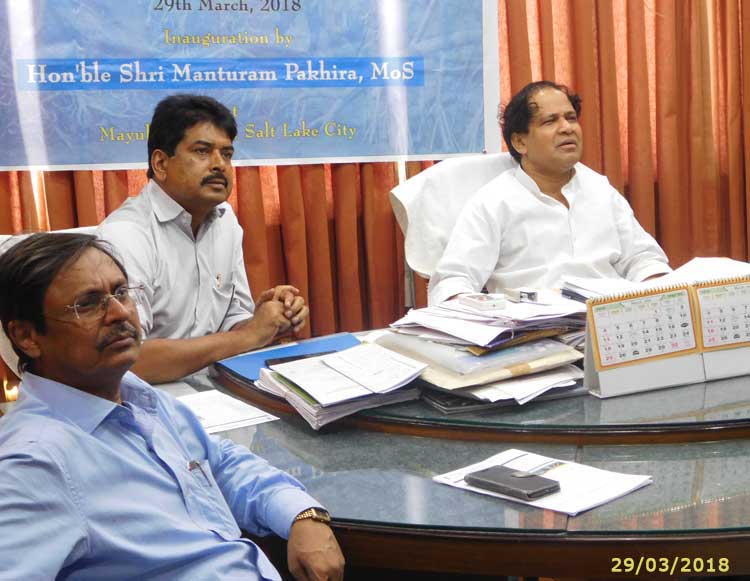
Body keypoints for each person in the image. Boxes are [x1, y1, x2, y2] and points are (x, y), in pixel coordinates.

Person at [0, 233, 344, 580]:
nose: (120, 313)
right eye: (88, 304)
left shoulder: (133, 395)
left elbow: (219, 463)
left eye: (121, 292)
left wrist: (301, 513)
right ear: (27, 337)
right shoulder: (34, 464)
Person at [98, 94, 308, 383]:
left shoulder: (225, 220)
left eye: (227, 154)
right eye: (202, 151)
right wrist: (250, 335)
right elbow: (127, 359)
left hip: (220, 386)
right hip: (153, 395)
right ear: (161, 163)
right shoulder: (125, 235)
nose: (219, 164)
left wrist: (268, 319)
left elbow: (232, 324)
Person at [427, 80, 671, 305]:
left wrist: (662, 295)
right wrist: (482, 313)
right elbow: (452, 281)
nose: (567, 128)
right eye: (550, 121)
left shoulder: (600, 189)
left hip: (607, 319)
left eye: (571, 118)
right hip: (533, 327)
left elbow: (643, 258)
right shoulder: (493, 202)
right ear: (520, 142)